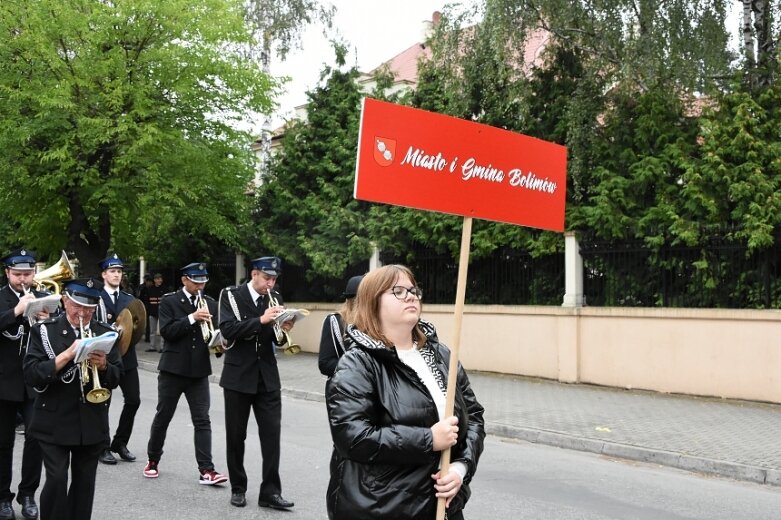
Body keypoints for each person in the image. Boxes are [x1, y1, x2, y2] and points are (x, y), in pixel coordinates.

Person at [326, 265, 486, 520]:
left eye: (413, 290)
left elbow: (474, 416)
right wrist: (428, 439)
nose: (411, 296)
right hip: (382, 508)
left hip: (442, 507)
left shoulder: (441, 355)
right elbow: (352, 437)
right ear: (372, 302)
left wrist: (460, 467)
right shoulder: (357, 363)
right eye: (398, 291)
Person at [23, 277, 122, 520]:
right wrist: (67, 355)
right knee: (56, 480)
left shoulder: (106, 333)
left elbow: (118, 377)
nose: (83, 313)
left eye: (89, 307)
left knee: (84, 484)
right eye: (78, 306)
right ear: (65, 301)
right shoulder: (44, 331)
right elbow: (32, 374)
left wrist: (104, 366)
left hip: (91, 421)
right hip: (53, 420)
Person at [219, 256, 295, 510]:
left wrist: (285, 327)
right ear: (254, 274)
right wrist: (261, 320)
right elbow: (228, 330)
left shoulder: (275, 298)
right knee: (236, 436)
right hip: (238, 376)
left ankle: (270, 492)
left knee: (272, 436)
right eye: (267, 278)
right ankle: (238, 487)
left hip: (268, 377)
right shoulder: (230, 295)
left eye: (274, 279)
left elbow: (280, 340)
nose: (270, 284)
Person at [143, 262, 227, 486]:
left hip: (199, 371)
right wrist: (192, 318)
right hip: (173, 370)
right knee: (163, 416)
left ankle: (206, 470)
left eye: (203, 281)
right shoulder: (170, 301)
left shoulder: (211, 303)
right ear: (184, 280)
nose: (200, 285)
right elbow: (168, 332)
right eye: (196, 281)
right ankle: (152, 460)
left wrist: (220, 346)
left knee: (202, 420)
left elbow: (214, 336)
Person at [0, 249, 48, 520]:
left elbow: (56, 333)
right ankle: (2, 497)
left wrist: (47, 322)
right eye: (17, 274)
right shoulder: (0, 297)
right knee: (3, 443)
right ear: (8, 273)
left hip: (34, 382)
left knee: (36, 439)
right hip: (4, 380)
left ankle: (28, 494)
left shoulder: (43, 298)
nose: (23, 279)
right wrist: (17, 310)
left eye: (27, 274)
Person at [95, 254, 141, 465]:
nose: (116, 275)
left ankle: (120, 443)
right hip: (105, 357)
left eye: (119, 271)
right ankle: (102, 446)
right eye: (112, 271)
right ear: (104, 274)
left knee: (133, 400)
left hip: (127, 357)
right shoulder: (95, 298)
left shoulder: (129, 300)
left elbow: (137, 329)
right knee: (103, 401)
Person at [318, 275, 363, 378]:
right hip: (346, 388)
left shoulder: (380, 322)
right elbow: (325, 364)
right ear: (353, 302)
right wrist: (358, 367)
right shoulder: (335, 321)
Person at [144, 273, 165, 353]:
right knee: (152, 331)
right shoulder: (150, 289)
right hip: (152, 313)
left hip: (162, 313)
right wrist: (148, 311)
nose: (160, 280)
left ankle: (162, 347)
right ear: (155, 280)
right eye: (158, 279)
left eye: (160, 279)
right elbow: (147, 301)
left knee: (162, 330)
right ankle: (152, 346)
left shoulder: (164, 289)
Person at [137, 275, 153, 342]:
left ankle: (147, 337)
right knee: (143, 322)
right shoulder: (142, 287)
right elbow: (139, 297)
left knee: (149, 323)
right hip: (144, 306)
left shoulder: (152, 288)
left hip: (150, 307)